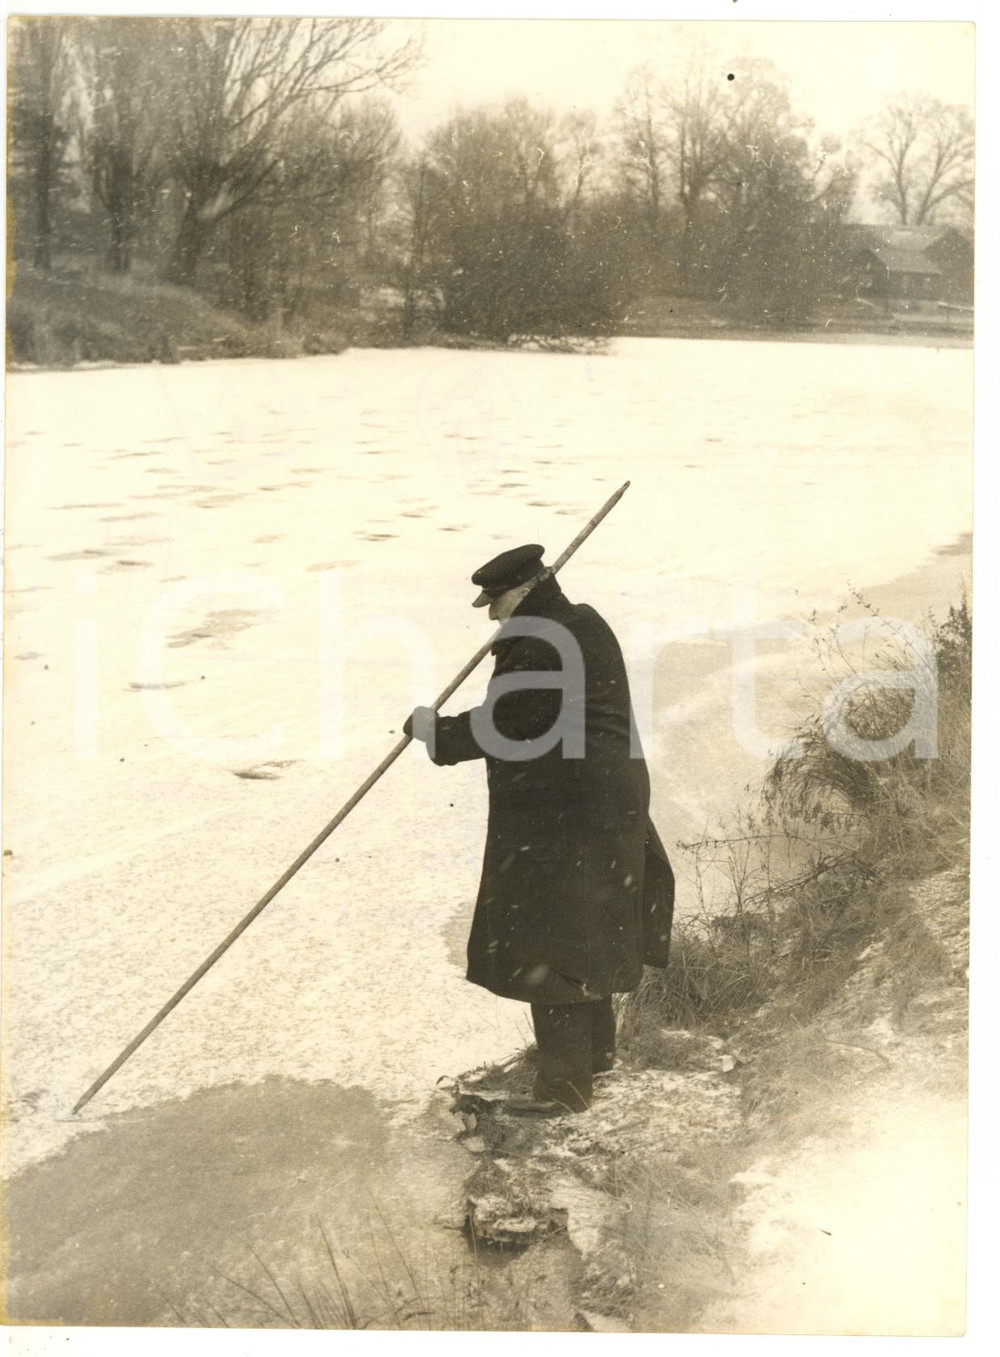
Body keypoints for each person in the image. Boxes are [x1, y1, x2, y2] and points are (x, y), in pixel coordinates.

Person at [405, 544, 673, 1115]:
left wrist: (432, 731)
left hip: (566, 814)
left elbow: (504, 726)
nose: (490, 613)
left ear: (523, 591)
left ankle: (564, 1090)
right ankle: (594, 1057)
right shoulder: (580, 622)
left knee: (550, 944)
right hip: (604, 801)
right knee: (586, 932)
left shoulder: (538, 644)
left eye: (496, 600)